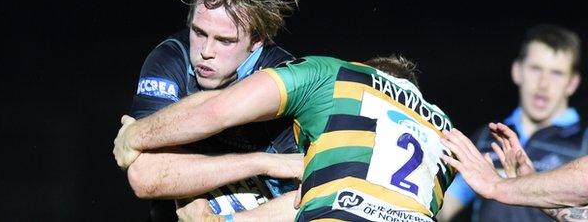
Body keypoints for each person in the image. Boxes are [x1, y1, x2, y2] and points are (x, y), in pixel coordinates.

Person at [114, 55, 458, 221]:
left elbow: (217, 112)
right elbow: (311, 201)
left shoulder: (337, 76)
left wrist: (134, 136)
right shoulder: (444, 136)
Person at [124, 0, 301, 221]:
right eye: (199, 32)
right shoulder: (172, 57)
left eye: (225, 40)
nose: (206, 51)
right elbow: (145, 177)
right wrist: (261, 162)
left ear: (256, 41)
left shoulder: (285, 78)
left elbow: (307, 194)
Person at [439, 25, 588, 222]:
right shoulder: (487, 137)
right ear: (517, 71)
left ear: (572, 83)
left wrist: (499, 185)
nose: (544, 83)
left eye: (556, 73)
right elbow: (446, 206)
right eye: (536, 68)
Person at [440, 123, 588, 221]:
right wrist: (529, 179)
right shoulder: (485, 137)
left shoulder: (587, 138)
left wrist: (497, 185)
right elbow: (582, 216)